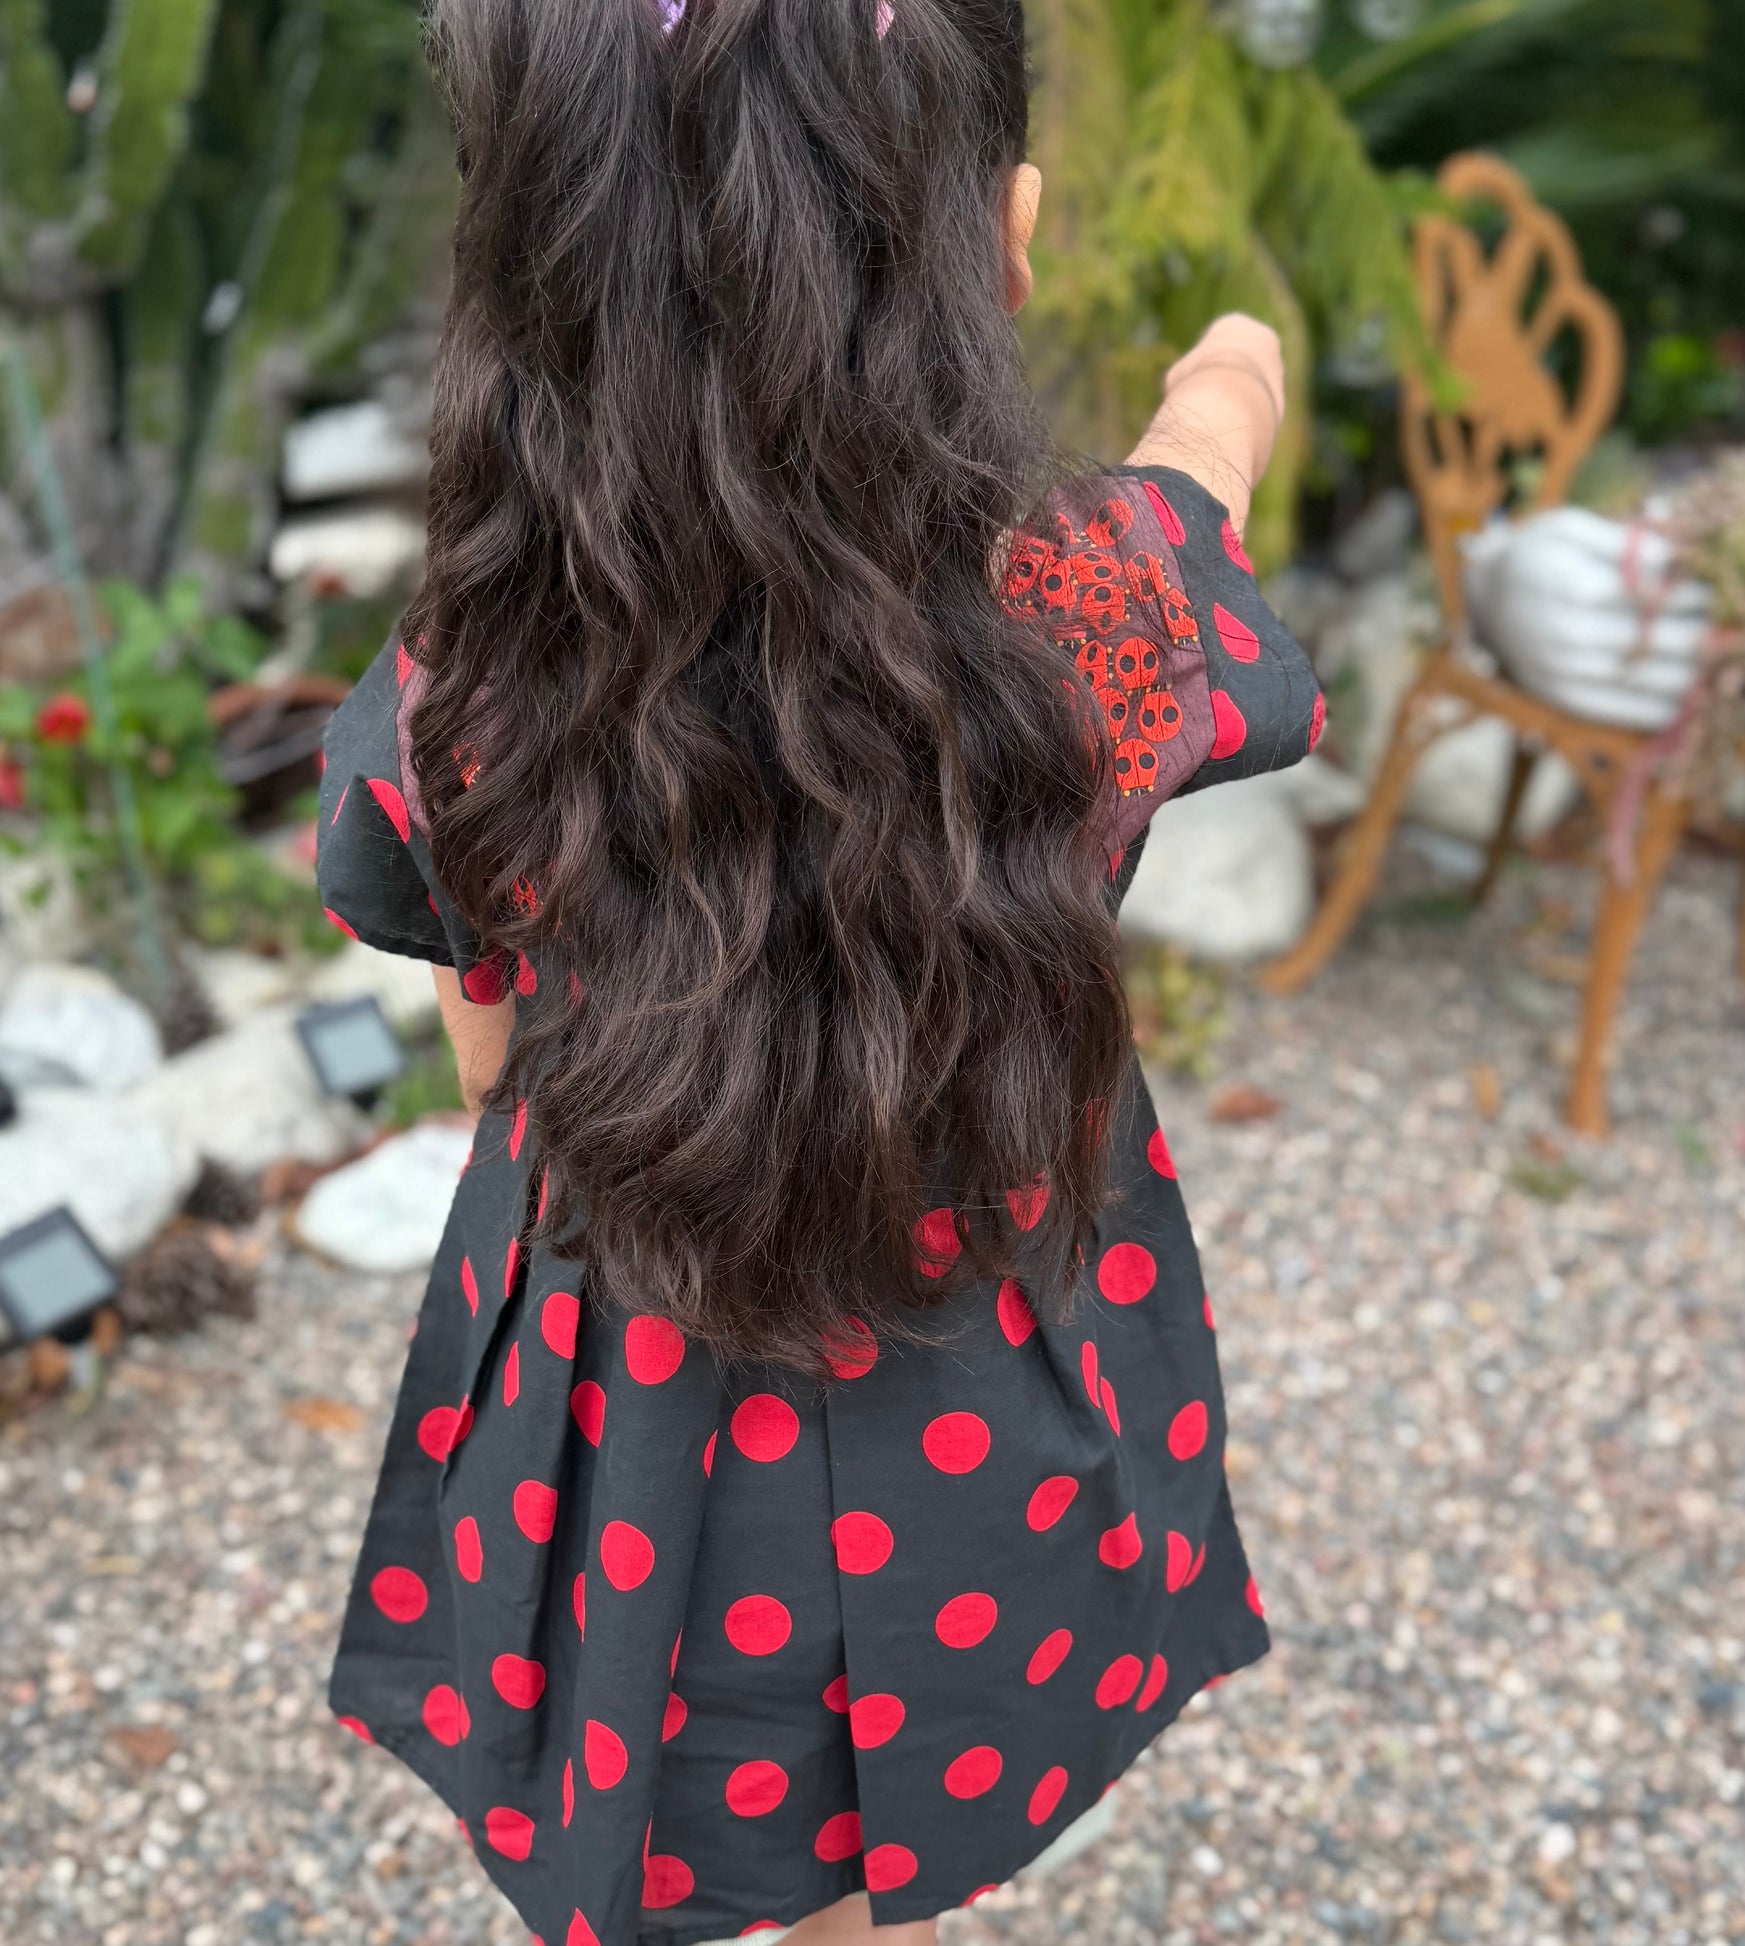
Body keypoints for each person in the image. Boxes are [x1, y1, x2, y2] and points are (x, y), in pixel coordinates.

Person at [315, 3, 1322, 1943]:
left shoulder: (473, 684)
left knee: (663, 1787)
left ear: (525, 267)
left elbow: (480, 1031)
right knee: (901, 1834)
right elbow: (1210, 451)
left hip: (628, 1395)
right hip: (982, 1388)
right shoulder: (1091, 614)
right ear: (1002, 238)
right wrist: (1238, 356)